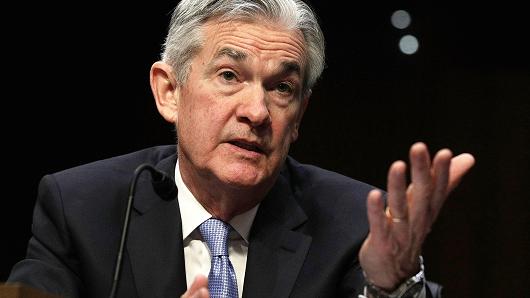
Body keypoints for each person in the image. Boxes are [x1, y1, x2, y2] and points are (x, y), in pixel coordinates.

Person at [7, 0, 475, 297]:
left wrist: (391, 287)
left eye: (282, 87)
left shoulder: (355, 222)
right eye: (229, 76)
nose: (257, 111)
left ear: (299, 118)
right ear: (169, 91)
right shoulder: (82, 207)